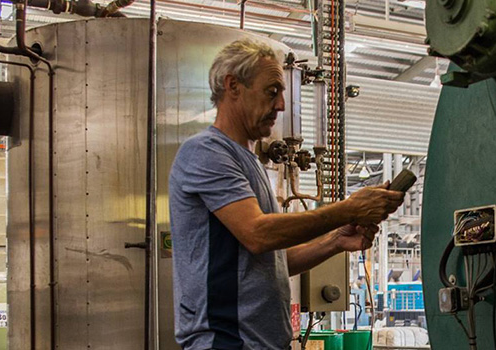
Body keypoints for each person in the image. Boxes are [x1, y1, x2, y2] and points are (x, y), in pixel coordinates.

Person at [169, 38, 405, 349]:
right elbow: (258, 234)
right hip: (225, 342)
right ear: (233, 86)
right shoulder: (206, 152)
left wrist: (335, 241)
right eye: (272, 91)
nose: (281, 105)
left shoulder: (248, 161)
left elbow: (272, 261)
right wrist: (349, 209)